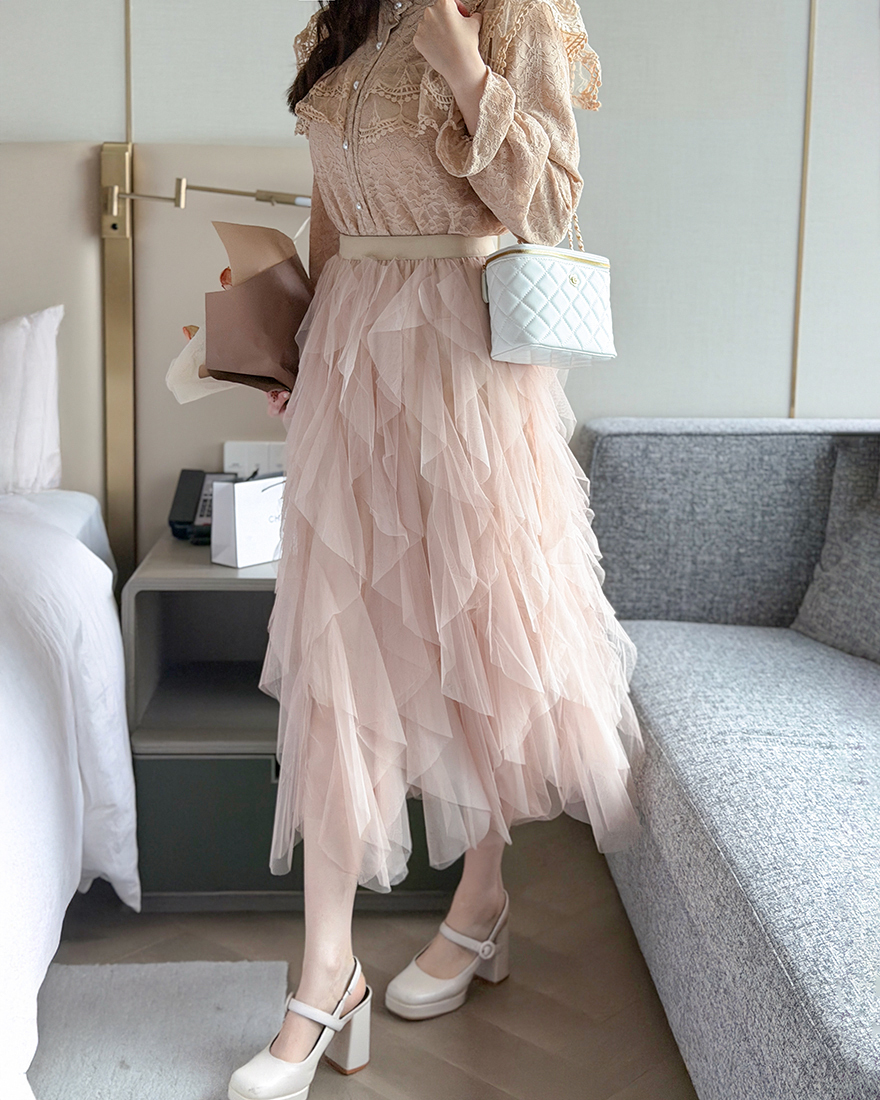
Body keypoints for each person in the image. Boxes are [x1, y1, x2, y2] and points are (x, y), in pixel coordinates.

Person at [229, 0, 644, 1096]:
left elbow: (550, 206)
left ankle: (481, 898)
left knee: (476, 636)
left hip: (465, 363)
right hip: (349, 356)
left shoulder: (515, 14)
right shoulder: (346, 20)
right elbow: (330, 211)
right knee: (338, 657)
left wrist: (467, 71)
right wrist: (292, 345)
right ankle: (326, 974)